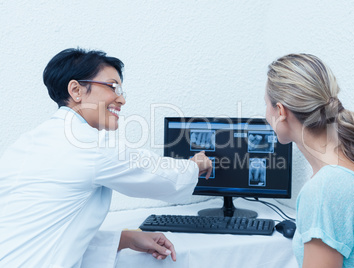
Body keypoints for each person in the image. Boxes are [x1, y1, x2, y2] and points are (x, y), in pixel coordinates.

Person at [0, 48, 212, 267]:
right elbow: (161, 176)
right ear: (76, 90)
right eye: (113, 87)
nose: (121, 99)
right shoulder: (88, 143)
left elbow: (43, 232)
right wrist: (196, 165)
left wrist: (125, 239)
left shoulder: (25, 144)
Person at [264, 53, 354, 267]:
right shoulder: (349, 163)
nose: (265, 115)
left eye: (266, 105)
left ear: (281, 111)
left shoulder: (326, 189)